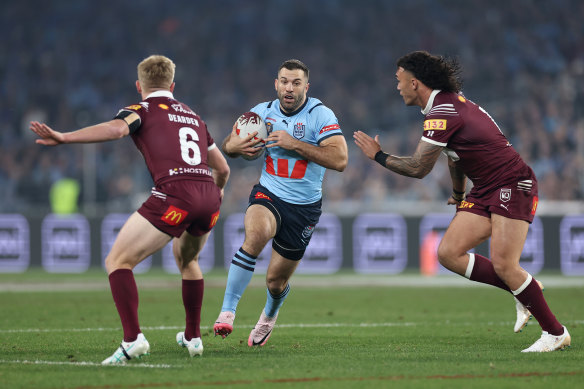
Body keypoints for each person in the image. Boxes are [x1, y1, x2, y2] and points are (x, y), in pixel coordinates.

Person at [353, 51, 571, 353]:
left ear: (415, 83)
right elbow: (455, 157)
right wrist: (458, 194)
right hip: (485, 187)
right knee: (449, 253)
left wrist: (378, 155)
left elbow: (419, 168)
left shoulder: (443, 111)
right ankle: (525, 291)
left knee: (506, 265)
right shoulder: (446, 105)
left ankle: (555, 332)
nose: (397, 86)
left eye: (399, 80)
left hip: (512, 183)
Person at [29, 55, 230, 363]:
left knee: (117, 261)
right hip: (208, 194)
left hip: (176, 194)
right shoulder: (193, 117)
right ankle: (193, 338)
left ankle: (133, 339)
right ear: (172, 85)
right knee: (188, 260)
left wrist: (65, 137)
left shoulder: (141, 110)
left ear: (139, 86)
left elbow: (117, 130)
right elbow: (224, 170)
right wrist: (211, 196)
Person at [214, 59, 348, 346]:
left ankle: (269, 316)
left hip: (304, 208)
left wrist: (294, 143)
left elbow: (340, 160)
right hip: (268, 194)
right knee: (256, 235)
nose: (289, 88)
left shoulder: (319, 115)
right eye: (284, 81)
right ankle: (227, 311)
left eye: (296, 83)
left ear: (306, 87)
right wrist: (233, 147)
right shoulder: (262, 113)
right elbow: (229, 143)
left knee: (276, 282)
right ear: (276, 84)